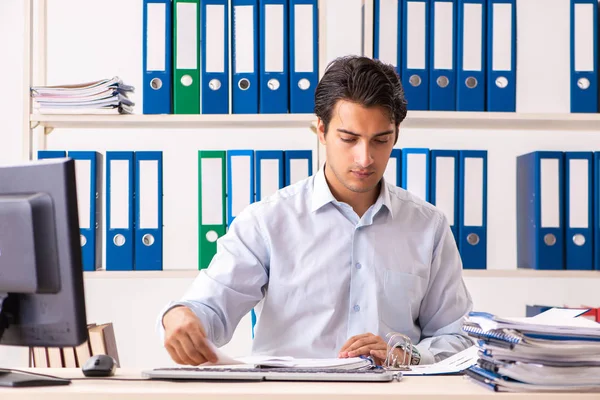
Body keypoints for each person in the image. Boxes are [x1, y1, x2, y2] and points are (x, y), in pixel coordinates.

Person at [158, 55, 474, 367]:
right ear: (321, 131)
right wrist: (181, 315)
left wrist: (406, 355)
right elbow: (210, 307)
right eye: (349, 138)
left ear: (396, 135)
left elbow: (457, 337)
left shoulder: (428, 227)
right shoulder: (267, 221)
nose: (365, 158)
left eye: (380, 140)